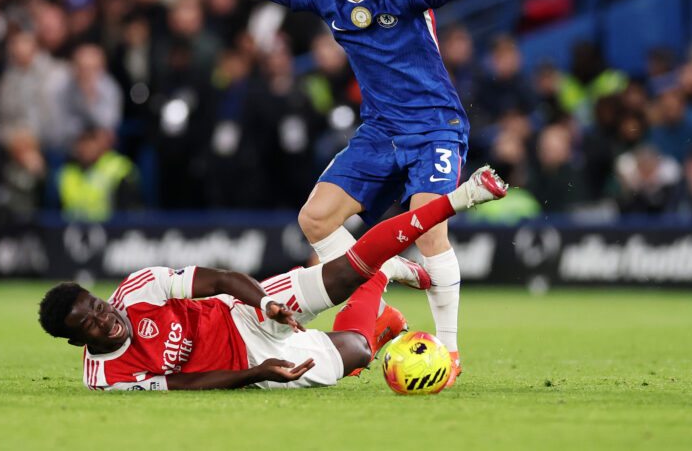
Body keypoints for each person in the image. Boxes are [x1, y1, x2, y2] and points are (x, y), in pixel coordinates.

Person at [173, 0, 515, 386]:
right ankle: (381, 273)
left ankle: (450, 349)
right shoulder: (327, 0)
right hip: (380, 133)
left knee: (427, 225)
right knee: (314, 220)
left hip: (434, 129)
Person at [37, 166, 507, 390]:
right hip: (251, 360)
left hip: (241, 312)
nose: (107, 320)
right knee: (360, 351)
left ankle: (461, 197)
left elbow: (220, 278)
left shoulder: (136, 291)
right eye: (92, 325)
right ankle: (381, 280)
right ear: (75, 340)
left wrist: (264, 304)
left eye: (98, 306)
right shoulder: (104, 377)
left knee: (344, 274)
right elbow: (183, 386)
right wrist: (255, 373)